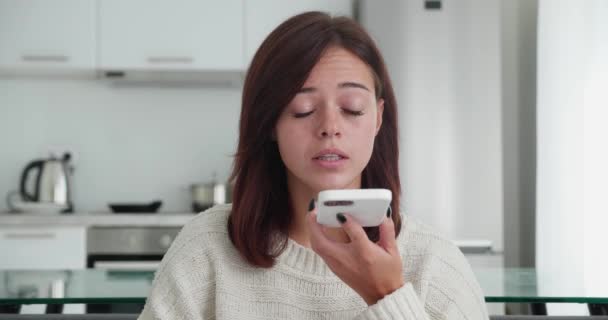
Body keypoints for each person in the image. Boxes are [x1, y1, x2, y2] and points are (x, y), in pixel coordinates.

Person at [138, 11, 488, 320]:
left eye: (351, 108)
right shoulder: (206, 249)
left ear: (378, 118)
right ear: (269, 123)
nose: (330, 126)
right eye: (303, 109)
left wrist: (388, 296)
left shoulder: (434, 263)